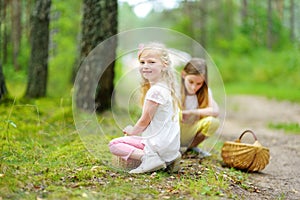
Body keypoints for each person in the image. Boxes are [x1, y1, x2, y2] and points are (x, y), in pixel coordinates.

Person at [109, 42, 181, 174]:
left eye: (152, 62)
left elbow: (145, 120)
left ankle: (149, 158)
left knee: (114, 145)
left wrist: (132, 131)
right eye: (142, 62)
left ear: (164, 65)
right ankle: (169, 157)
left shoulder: (156, 91)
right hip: (169, 145)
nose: (145, 66)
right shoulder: (166, 87)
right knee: (132, 141)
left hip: (158, 145)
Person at [180, 58, 220, 158]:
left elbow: (215, 111)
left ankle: (189, 147)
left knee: (213, 122)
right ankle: (173, 147)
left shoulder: (205, 92)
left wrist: (192, 112)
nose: (194, 87)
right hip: (175, 130)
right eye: (191, 82)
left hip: (191, 130)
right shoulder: (176, 89)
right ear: (183, 75)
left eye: (199, 83)